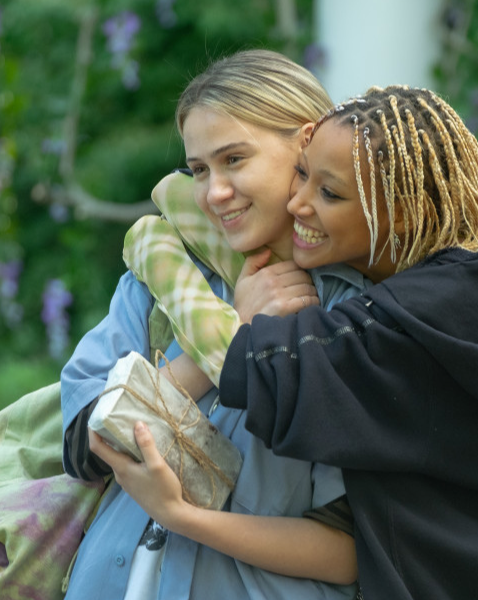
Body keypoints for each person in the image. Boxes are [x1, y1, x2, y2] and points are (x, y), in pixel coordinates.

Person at [128, 85, 478, 599]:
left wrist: (154, 244)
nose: (296, 203)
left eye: (331, 194)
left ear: (403, 212)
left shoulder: (403, 333)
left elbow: (253, 366)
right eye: (302, 172)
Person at [59, 49, 366, 599]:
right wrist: (226, 333)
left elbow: (348, 550)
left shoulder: (351, 314)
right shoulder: (161, 275)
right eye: (199, 169)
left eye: (234, 160)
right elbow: (85, 446)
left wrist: (183, 516)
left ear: (306, 144)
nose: (213, 192)